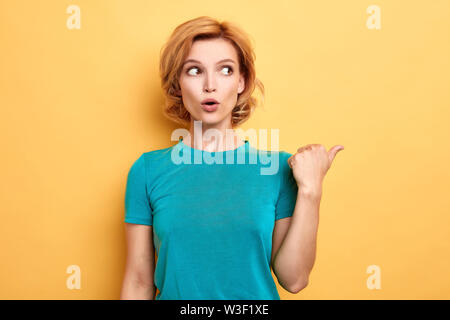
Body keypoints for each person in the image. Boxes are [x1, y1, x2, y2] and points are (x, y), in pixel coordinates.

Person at [120, 16, 302, 300]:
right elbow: (138, 280)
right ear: (178, 84)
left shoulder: (278, 169)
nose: (210, 85)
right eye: (194, 71)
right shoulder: (147, 171)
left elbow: (295, 279)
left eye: (225, 70)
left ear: (241, 81)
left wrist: (312, 192)